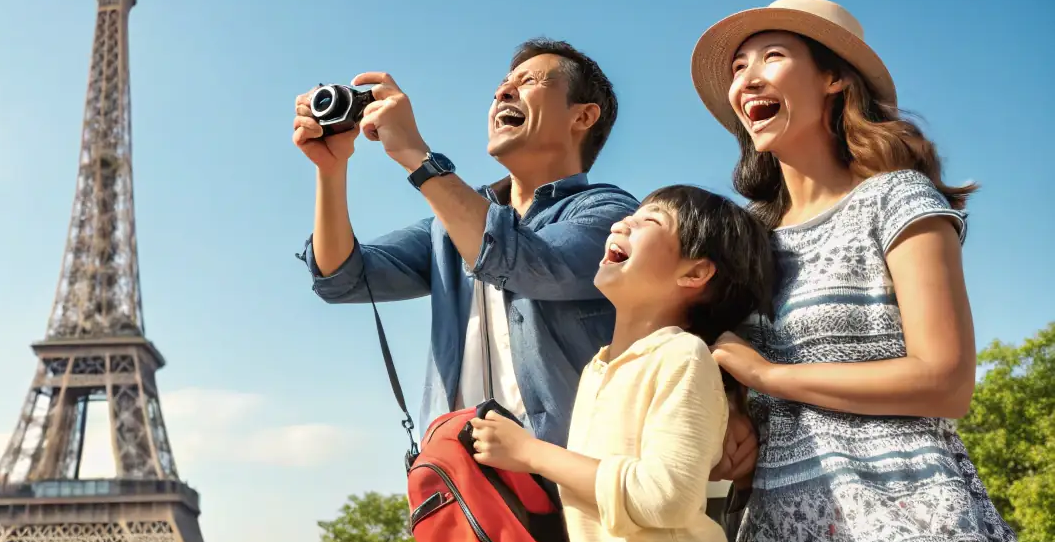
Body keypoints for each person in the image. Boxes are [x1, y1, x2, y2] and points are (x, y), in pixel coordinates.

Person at [690, 0, 1045, 542]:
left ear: (832, 82)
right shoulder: (744, 239)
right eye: (737, 67)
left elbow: (943, 379)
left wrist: (768, 374)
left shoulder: (898, 199)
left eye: (770, 56)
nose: (745, 78)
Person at [293, 39, 757, 480]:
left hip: (564, 485)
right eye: (501, 84)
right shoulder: (452, 220)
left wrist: (416, 155)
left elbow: (525, 262)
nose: (502, 91)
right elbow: (344, 278)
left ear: (583, 116)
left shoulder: (610, 215)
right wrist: (331, 171)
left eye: (530, 81)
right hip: (462, 490)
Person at [470, 185, 774, 542]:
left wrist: (532, 454)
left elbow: (664, 497)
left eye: (648, 220)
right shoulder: (599, 370)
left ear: (696, 272)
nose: (623, 225)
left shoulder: (682, 357)